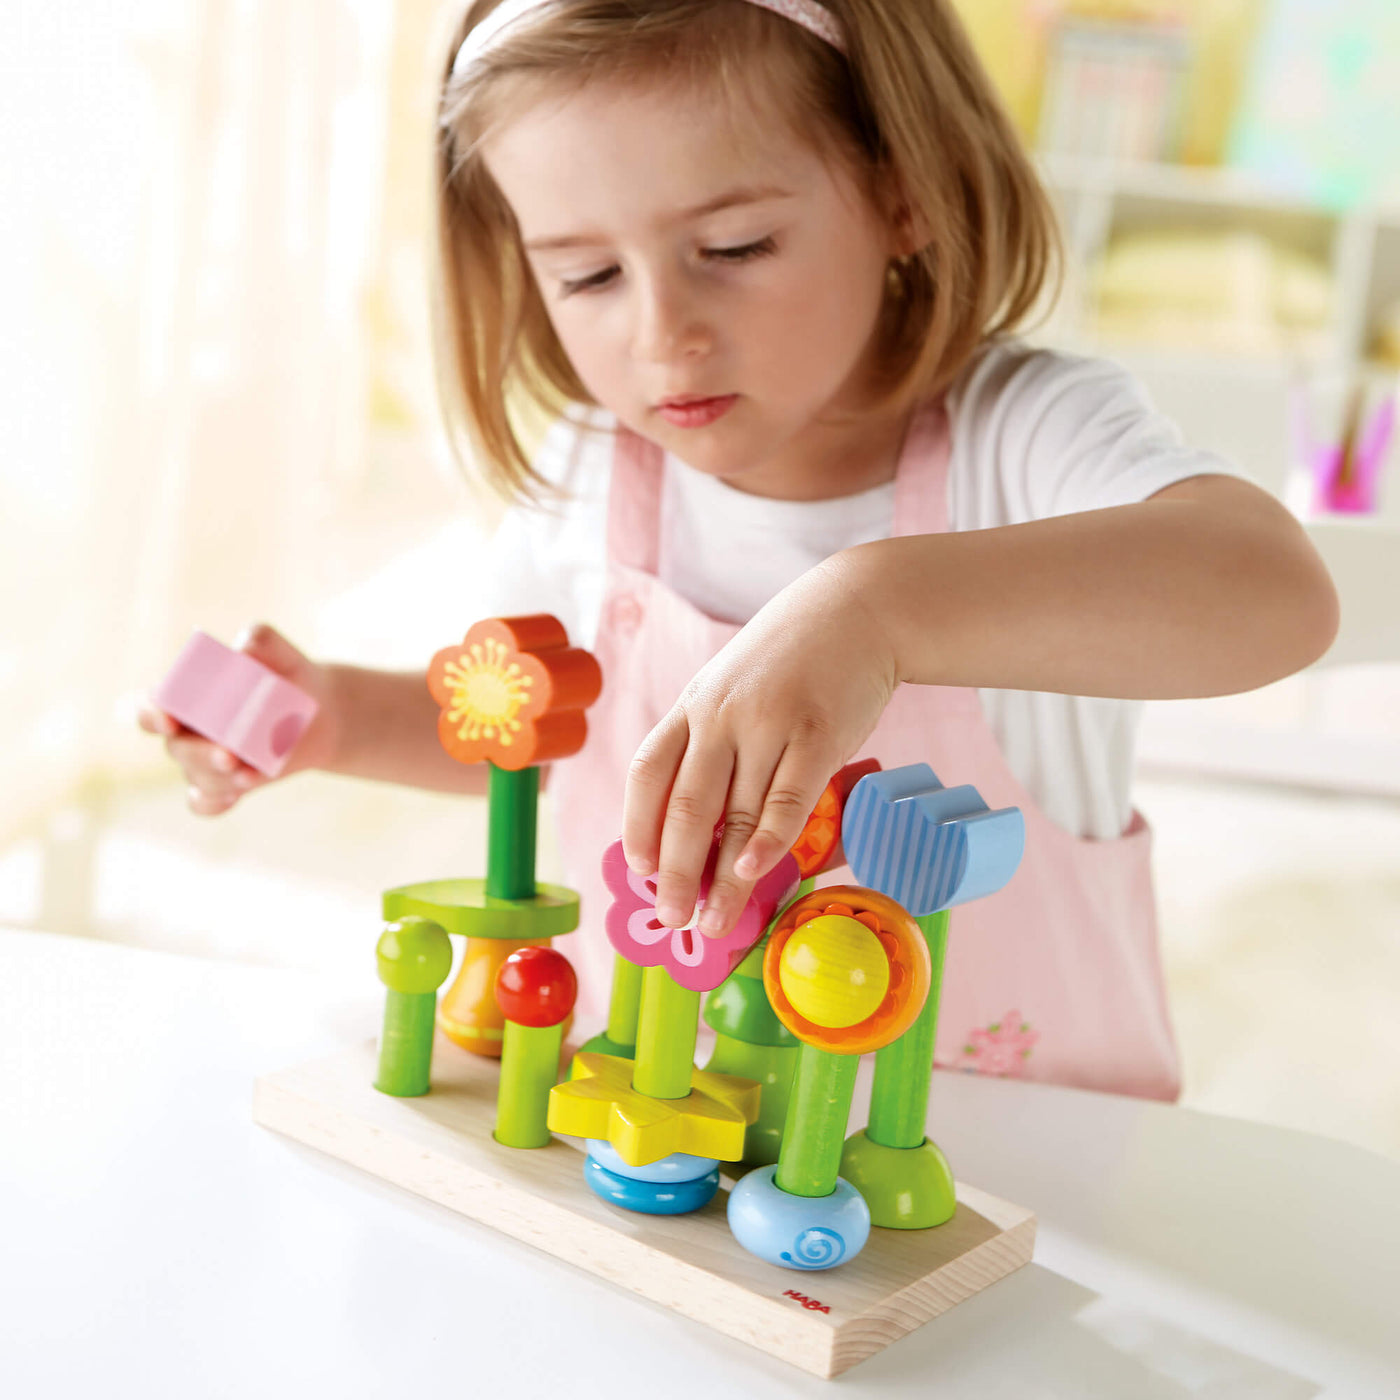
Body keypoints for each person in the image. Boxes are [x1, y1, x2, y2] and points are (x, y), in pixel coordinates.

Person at [140, 0, 1338, 1100]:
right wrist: (338, 714)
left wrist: (874, 608)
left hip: (1014, 1190)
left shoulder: (1021, 435)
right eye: (588, 274)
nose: (665, 336)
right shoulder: (586, 465)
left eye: (735, 247)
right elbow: (531, 748)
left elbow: (1274, 594)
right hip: (648, 1129)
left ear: (902, 189)